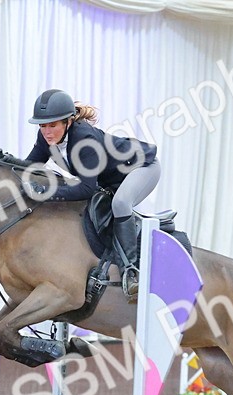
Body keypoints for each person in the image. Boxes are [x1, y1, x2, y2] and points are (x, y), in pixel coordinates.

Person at [23, 89, 159, 281]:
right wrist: (0, 164)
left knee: (120, 203)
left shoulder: (84, 139)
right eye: (42, 126)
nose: (47, 132)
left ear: (68, 122)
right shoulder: (46, 138)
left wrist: (46, 192)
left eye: (52, 125)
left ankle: (130, 271)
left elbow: (86, 189)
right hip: (113, 179)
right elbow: (28, 167)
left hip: (142, 166)